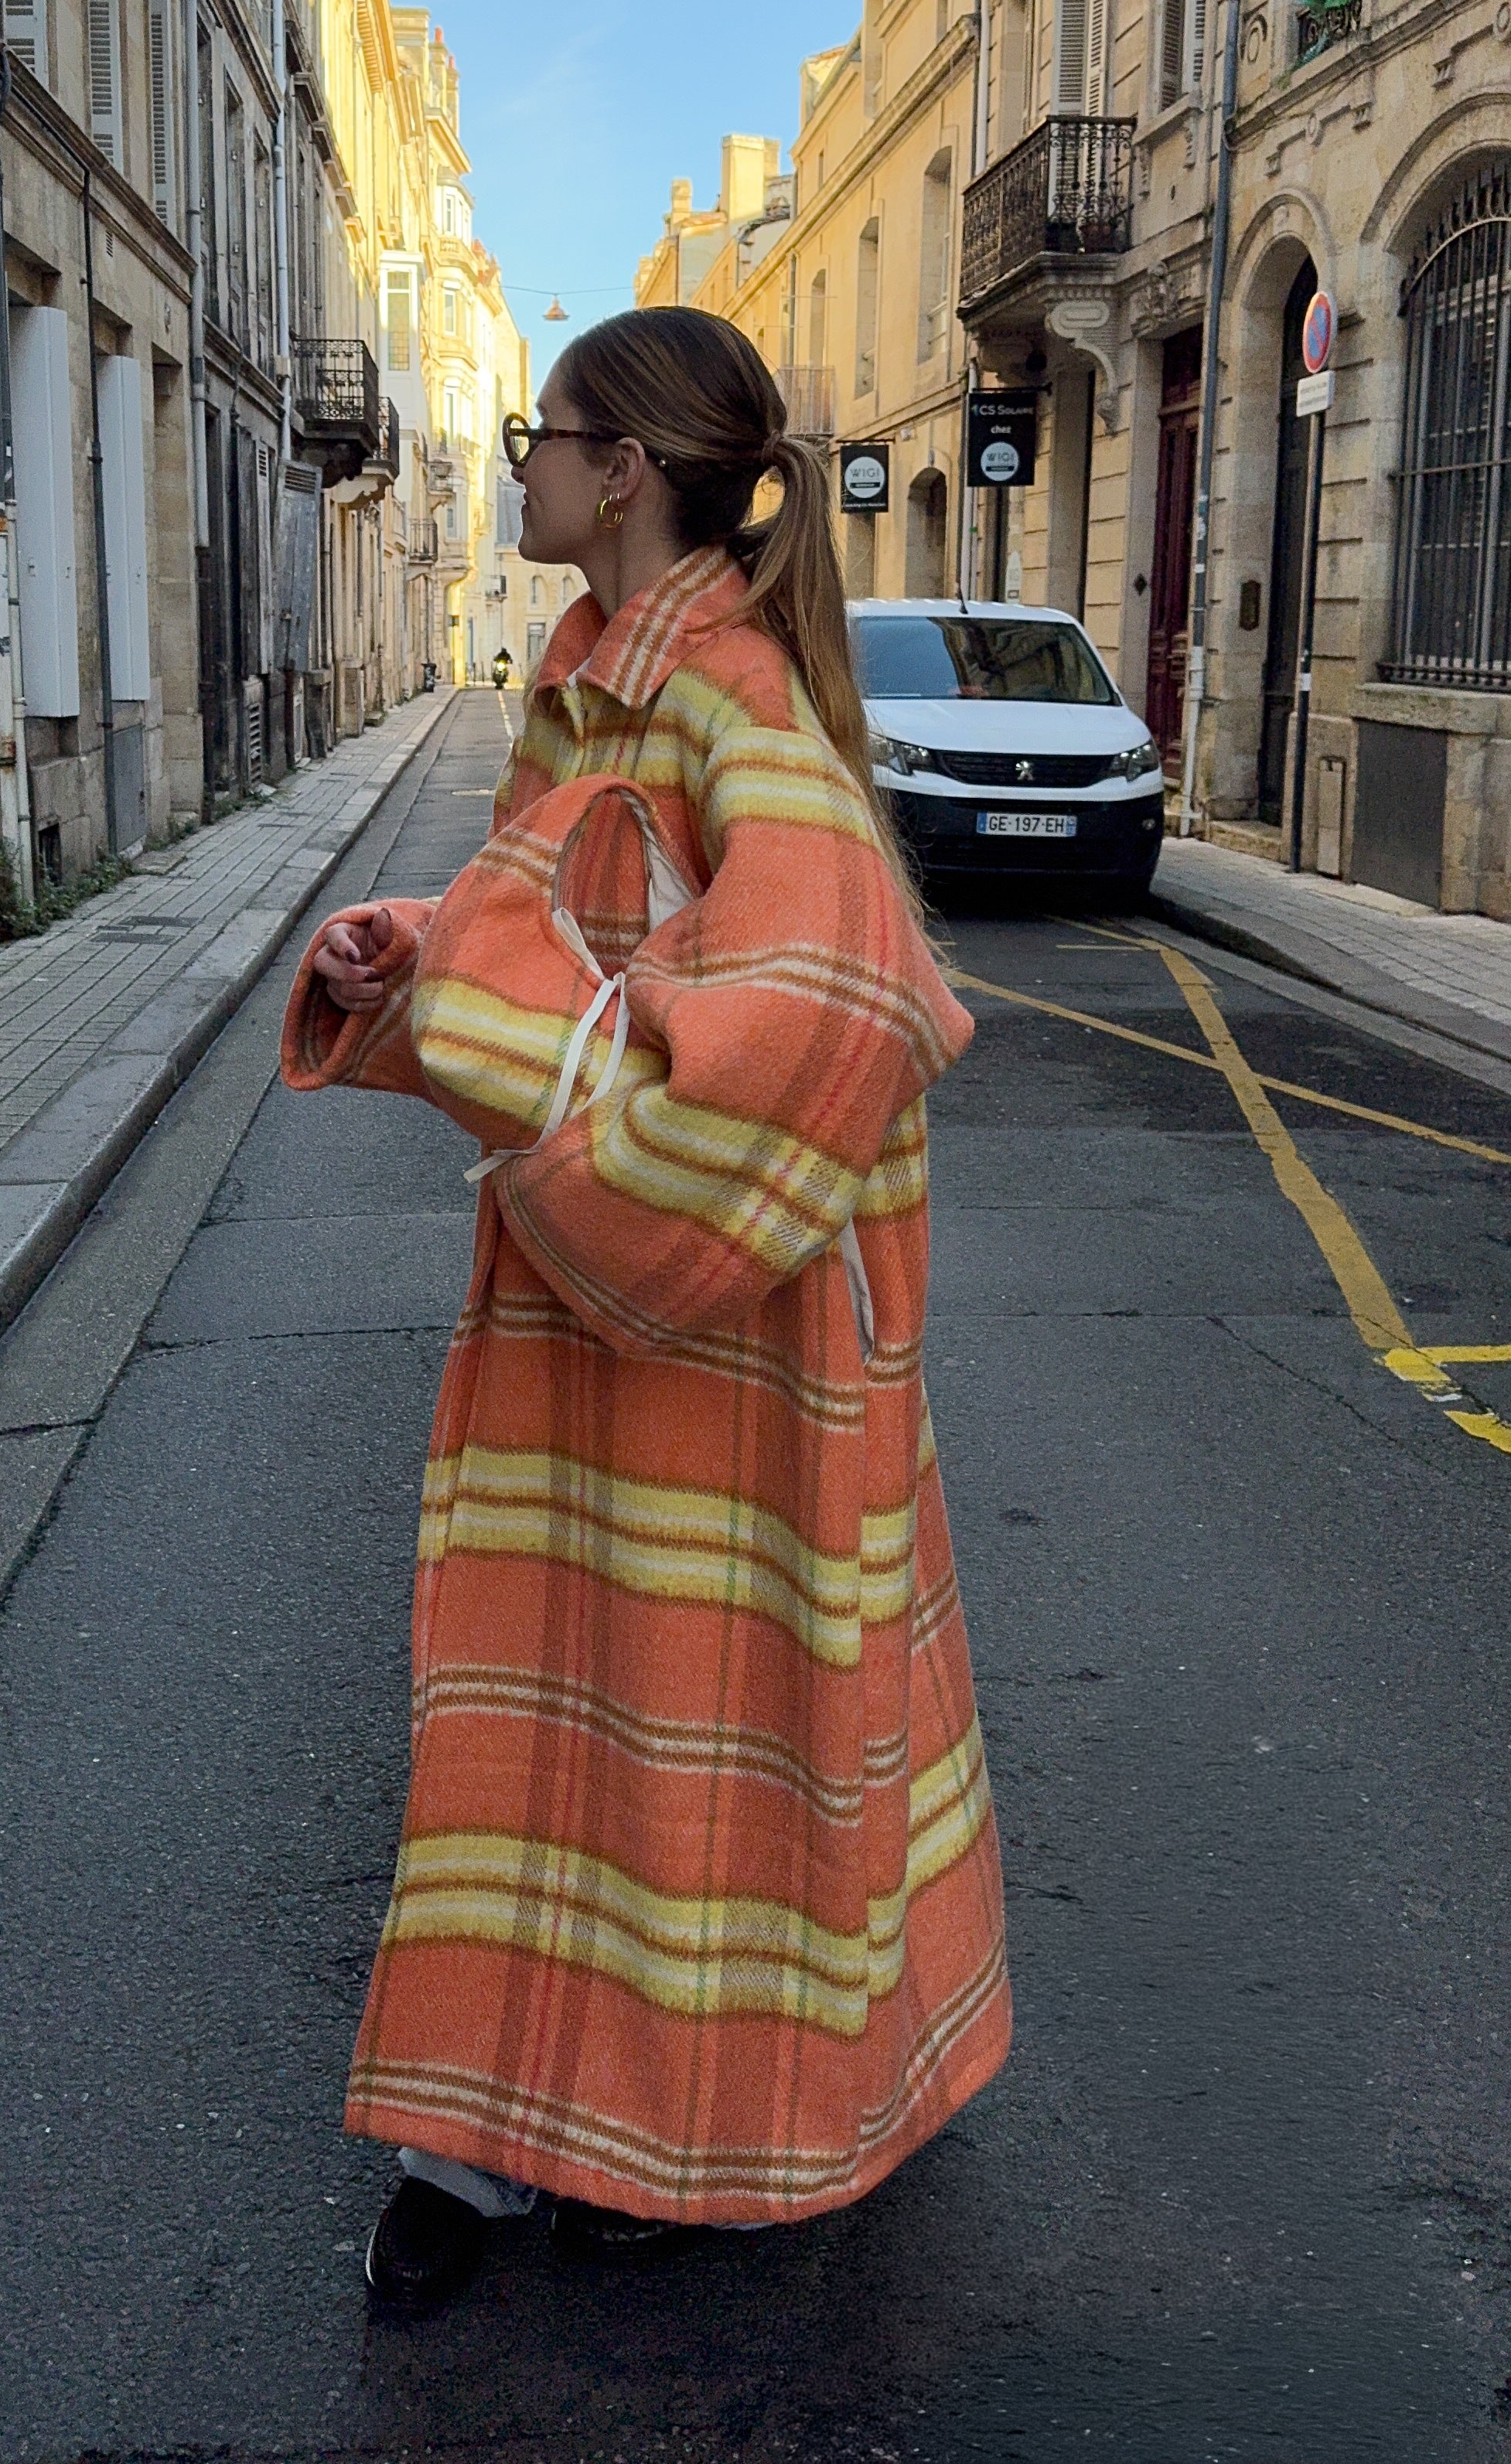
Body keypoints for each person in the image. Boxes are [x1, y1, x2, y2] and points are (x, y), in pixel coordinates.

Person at [281, 307, 1010, 2312]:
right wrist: (426, 948)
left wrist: (511, 1040)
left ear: (623, 472)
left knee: (696, 1736)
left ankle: (661, 2134)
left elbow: (843, 1001)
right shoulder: (598, 686)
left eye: (544, 433)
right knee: (580, 1724)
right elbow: (597, 956)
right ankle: (515, 2132)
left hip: (727, 1347)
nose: (515, 460)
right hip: (613, 1327)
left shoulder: (735, 700)